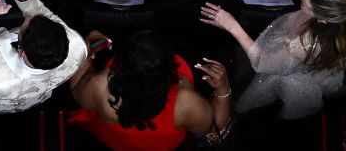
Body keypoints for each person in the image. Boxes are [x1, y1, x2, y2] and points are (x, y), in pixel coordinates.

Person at [199, 0, 346, 119]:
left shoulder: (306, 44)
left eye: (303, 1)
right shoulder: (339, 8)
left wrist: (232, 27)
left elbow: (262, 62)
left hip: (285, 71)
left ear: (322, 19)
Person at [68, 31, 233, 149]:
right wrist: (223, 87)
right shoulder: (187, 103)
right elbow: (215, 132)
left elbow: (75, 89)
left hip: (111, 139)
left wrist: (87, 50)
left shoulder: (99, 85)